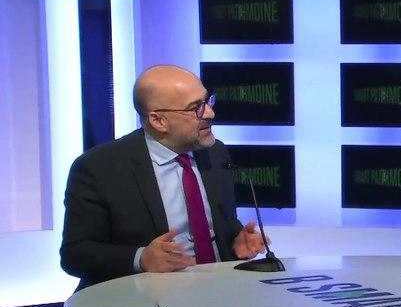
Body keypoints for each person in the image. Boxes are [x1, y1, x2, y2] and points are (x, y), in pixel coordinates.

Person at [60, 65, 267, 291]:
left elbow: (218, 223)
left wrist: (235, 240)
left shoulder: (215, 153)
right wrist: (141, 259)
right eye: (196, 108)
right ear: (158, 121)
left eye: (207, 101)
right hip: (141, 299)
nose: (210, 113)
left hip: (218, 292)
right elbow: (75, 254)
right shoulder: (98, 168)